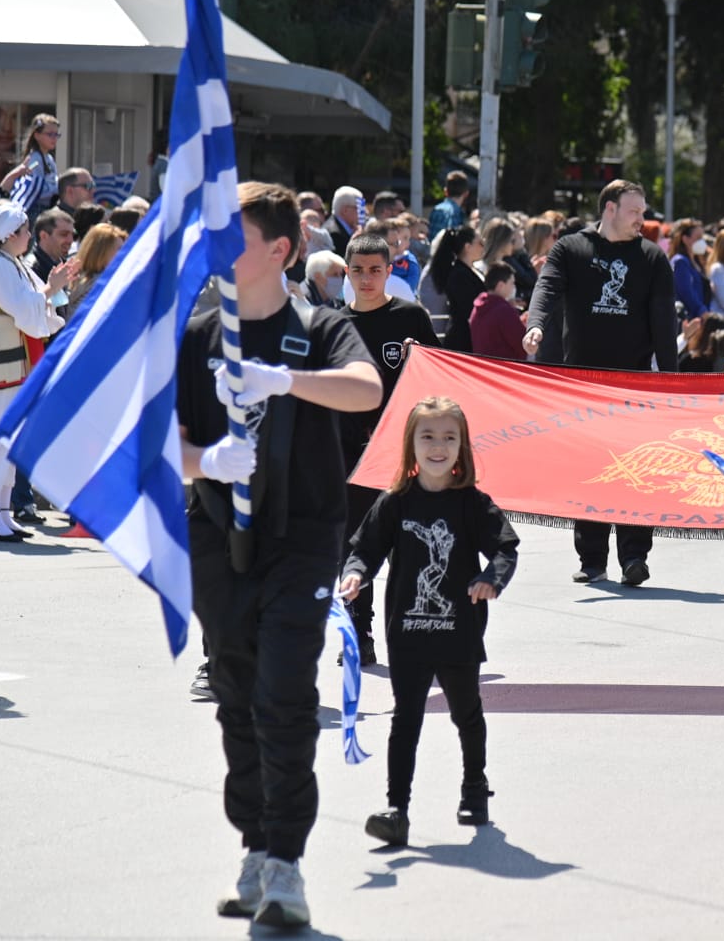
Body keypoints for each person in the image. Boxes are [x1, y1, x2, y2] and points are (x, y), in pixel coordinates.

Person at [177, 182, 381, 928]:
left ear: (280, 250)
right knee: (235, 692)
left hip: (303, 535)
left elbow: (366, 389)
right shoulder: (200, 334)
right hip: (217, 533)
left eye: (233, 238)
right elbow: (158, 442)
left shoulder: (320, 326)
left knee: (284, 692)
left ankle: (286, 863)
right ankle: (256, 846)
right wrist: (206, 462)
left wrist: (284, 381)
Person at [342, 397, 519, 843]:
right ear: (411, 445)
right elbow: (365, 549)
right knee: (406, 720)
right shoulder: (395, 503)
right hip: (408, 633)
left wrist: (491, 579)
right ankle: (396, 810)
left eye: (448, 437)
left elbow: (505, 548)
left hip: (459, 630)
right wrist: (355, 574)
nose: (438, 446)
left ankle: (474, 787)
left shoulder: (472, 504)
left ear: (462, 447)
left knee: (466, 713)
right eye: (428, 436)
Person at [523, 179, 677, 586]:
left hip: (634, 385)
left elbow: (665, 321)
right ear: (610, 208)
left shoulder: (651, 257)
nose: (642, 219)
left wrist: (672, 380)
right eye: (634, 211)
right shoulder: (571, 249)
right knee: (590, 469)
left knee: (635, 471)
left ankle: (634, 556)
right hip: (583, 384)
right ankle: (592, 558)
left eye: (642, 211)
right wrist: (536, 324)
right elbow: (547, 287)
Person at [340, 232, 441, 662]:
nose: (366, 279)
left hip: (403, 452)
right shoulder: (333, 324)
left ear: (388, 271)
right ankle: (357, 634)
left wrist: (421, 359)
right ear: (346, 272)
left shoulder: (411, 316)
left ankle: (415, 633)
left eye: (375, 270)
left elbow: (442, 379)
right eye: (358, 271)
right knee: (354, 547)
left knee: (413, 545)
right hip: (350, 454)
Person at [0, 202, 73, 541]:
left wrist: (53, 288)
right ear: (8, 235)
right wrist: (52, 287)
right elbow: (24, 306)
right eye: (23, 231)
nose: (28, 236)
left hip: (12, 357)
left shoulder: (11, 263)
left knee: (8, 441)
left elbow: (35, 305)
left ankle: (1, 514)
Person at [431, 225, 486, 353]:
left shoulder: (470, 271)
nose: (483, 247)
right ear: (468, 246)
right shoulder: (458, 274)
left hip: (471, 335)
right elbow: (468, 307)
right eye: (480, 243)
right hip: (462, 340)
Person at [0, 113, 59, 213]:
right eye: (50, 134)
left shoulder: (49, 158)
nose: (54, 138)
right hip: (34, 208)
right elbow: (35, 186)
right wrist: (56, 188)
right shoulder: (34, 159)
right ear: (37, 135)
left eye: (56, 134)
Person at [64, 221, 127, 319]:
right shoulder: (101, 284)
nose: (124, 254)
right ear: (101, 252)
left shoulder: (76, 276)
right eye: (119, 249)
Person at [470, 262, 527, 359]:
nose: (514, 287)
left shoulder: (477, 308)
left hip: (484, 364)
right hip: (505, 365)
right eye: (512, 283)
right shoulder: (504, 310)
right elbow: (523, 344)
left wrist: (519, 321)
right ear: (501, 285)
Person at [670, 218, 710, 319]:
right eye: (698, 238)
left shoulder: (696, 261)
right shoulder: (680, 262)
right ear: (685, 239)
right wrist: (702, 311)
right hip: (689, 318)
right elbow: (686, 292)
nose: (702, 241)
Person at [29, 208, 76, 281]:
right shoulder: (30, 268)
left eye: (73, 235)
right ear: (44, 236)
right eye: (64, 234)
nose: (70, 240)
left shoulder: (67, 266)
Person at [327, 186, 363, 257]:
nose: (362, 213)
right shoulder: (333, 233)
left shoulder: (351, 228)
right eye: (359, 208)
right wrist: (354, 243)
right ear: (345, 210)